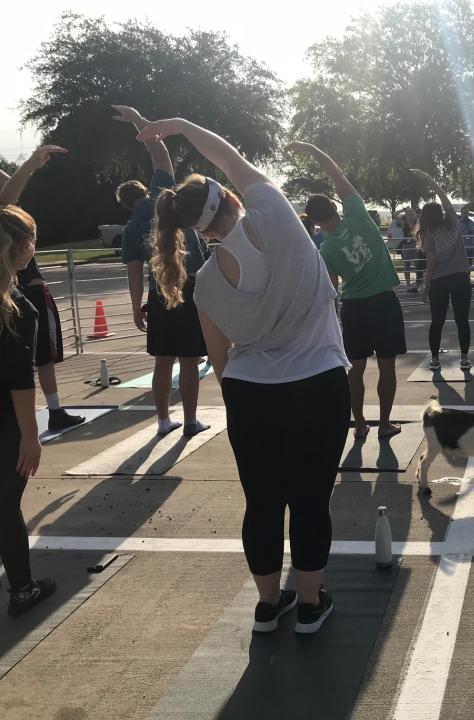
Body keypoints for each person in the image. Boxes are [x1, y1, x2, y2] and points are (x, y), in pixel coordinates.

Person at [138, 116, 350, 635]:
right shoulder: (276, 215)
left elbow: (220, 357)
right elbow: (230, 157)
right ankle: (307, 604)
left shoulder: (205, 283)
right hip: (318, 382)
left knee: (262, 501)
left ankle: (265, 604)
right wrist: (183, 126)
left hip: (251, 395)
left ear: (197, 229)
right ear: (230, 200)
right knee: (309, 500)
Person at [292, 141, 405, 440]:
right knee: (387, 367)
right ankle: (384, 424)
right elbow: (337, 174)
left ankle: (359, 425)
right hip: (384, 302)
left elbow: (331, 289)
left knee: (355, 370)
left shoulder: (326, 250)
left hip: (355, 309)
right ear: (334, 206)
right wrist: (313, 150)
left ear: (315, 222)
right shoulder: (358, 215)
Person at [114, 106, 209, 438]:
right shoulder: (162, 194)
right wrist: (138, 120)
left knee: (163, 362)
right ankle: (192, 420)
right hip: (190, 287)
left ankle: (163, 420)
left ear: (126, 204)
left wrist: (135, 307)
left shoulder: (129, 230)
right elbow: (159, 149)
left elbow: (134, 275)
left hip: (159, 293)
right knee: (189, 361)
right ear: (144, 190)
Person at [0, 148, 84, 433]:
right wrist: (30, 166)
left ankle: (53, 410)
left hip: (20, 292)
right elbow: (6, 197)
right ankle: (55, 410)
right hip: (26, 293)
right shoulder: (8, 222)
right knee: (39, 358)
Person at [0, 195, 57, 615]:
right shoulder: (20, 309)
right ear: (19, 248)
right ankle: (22, 588)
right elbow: (21, 382)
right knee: (5, 506)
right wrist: (30, 436)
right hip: (5, 422)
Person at [410, 169, 472, 371]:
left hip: (439, 282)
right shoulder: (453, 224)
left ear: (425, 218)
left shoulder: (428, 236)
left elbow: (431, 264)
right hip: (461, 278)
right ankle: (464, 359)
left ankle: (435, 359)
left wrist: (426, 287)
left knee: (437, 321)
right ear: (441, 213)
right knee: (462, 320)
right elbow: (445, 197)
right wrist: (429, 180)